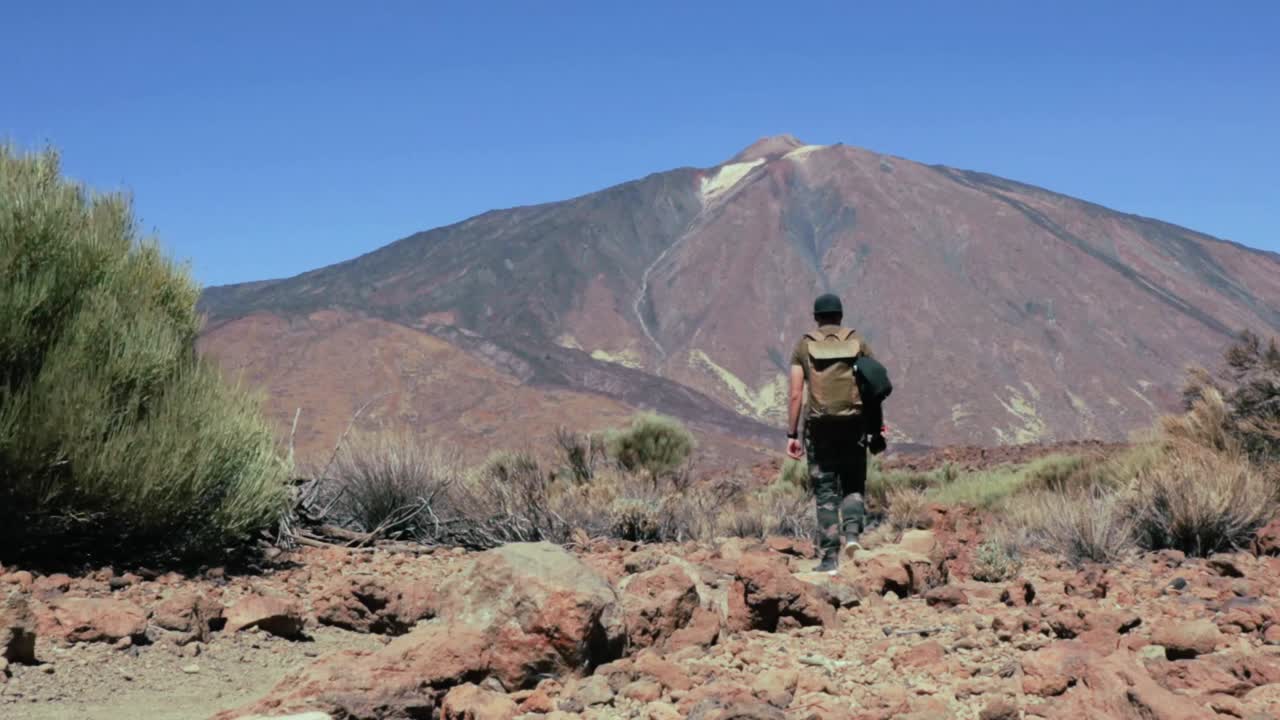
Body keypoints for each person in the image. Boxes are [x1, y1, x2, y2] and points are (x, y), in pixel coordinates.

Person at [786, 293, 888, 574]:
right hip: (854, 424)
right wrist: (876, 429)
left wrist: (792, 434)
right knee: (853, 483)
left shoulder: (804, 345)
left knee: (826, 491)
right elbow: (874, 389)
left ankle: (829, 559)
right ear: (840, 316)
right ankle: (853, 536)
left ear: (817, 318)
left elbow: (796, 394)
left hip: (819, 430)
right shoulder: (858, 343)